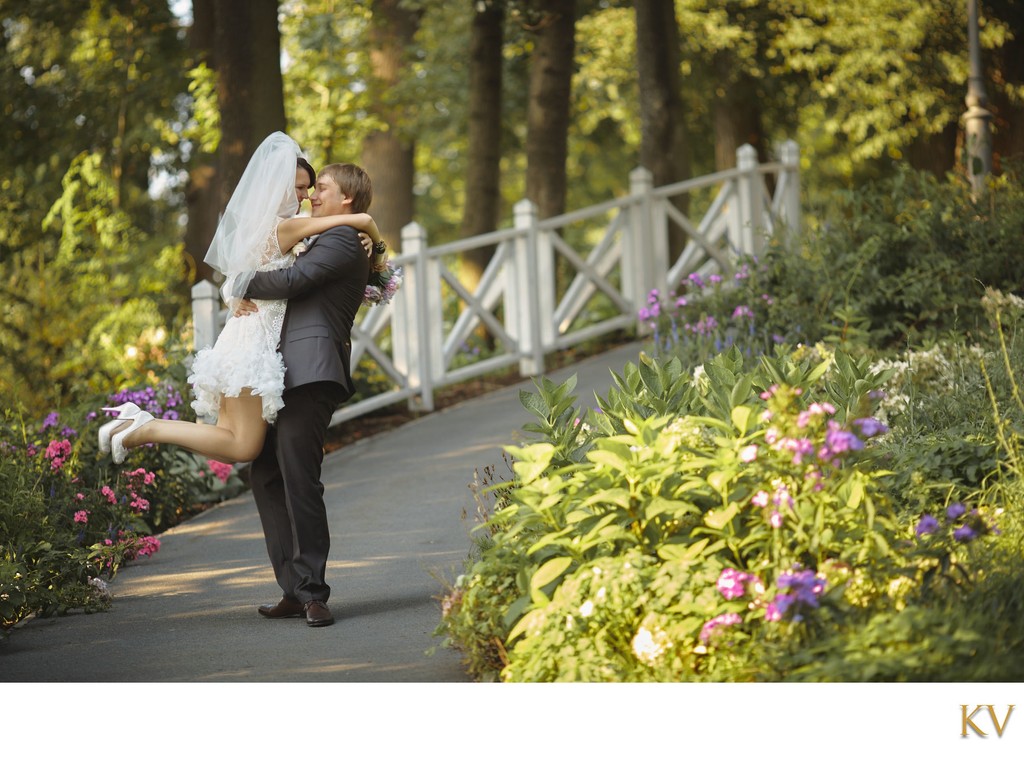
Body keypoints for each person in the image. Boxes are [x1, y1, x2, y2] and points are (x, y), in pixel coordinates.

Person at [99, 135, 385, 627]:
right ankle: (293, 589)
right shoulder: (313, 228)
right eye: (303, 187)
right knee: (263, 471)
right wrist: (369, 230)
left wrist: (239, 282)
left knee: (295, 477)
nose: (311, 194)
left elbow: (293, 283)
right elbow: (286, 265)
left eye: (319, 188)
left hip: (305, 371)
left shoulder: (338, 236)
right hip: (266, 361)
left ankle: (313, 592)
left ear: (348, 198)